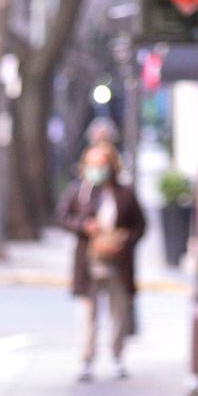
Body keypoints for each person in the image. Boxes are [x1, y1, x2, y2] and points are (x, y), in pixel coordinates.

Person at [57, 140, 146, 381]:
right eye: (93, 164)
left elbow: (140, 224)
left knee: (119, 312)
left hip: (118, 264)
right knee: (88, 314)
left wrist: (123, 240)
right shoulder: (80, 191)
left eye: (102, 164)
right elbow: (63, 216)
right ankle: (86, 359)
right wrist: (84, 226)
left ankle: (117, 356)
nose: (97, 169)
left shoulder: (124, 193)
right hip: (88, 262)